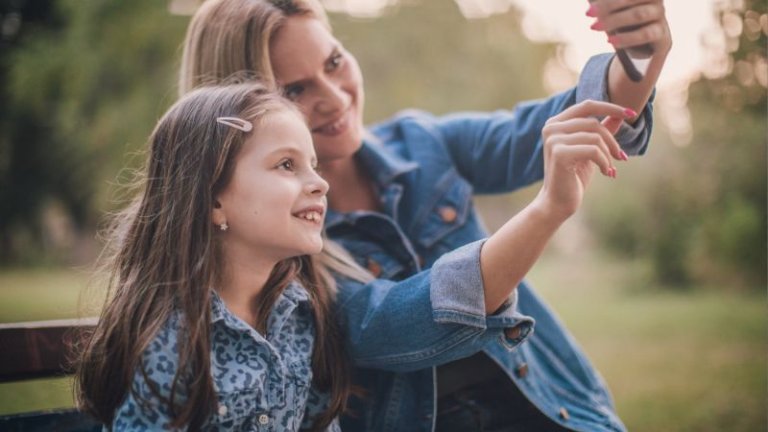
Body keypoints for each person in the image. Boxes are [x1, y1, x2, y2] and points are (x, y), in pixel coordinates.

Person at [179, 0, 672, 430]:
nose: (333, 97)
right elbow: (392, 323)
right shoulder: (274, 242)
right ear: (239, 111)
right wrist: (546, 213)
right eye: (295, 91)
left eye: (334, 62)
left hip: (553, 411)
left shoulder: (422, 143)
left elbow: (558, 121)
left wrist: (640, 50)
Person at [74, 82, 371, 431]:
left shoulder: (301, 313)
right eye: (287, 164)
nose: (320, 184)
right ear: (214, 200)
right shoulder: (170, 340)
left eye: (314, 166)